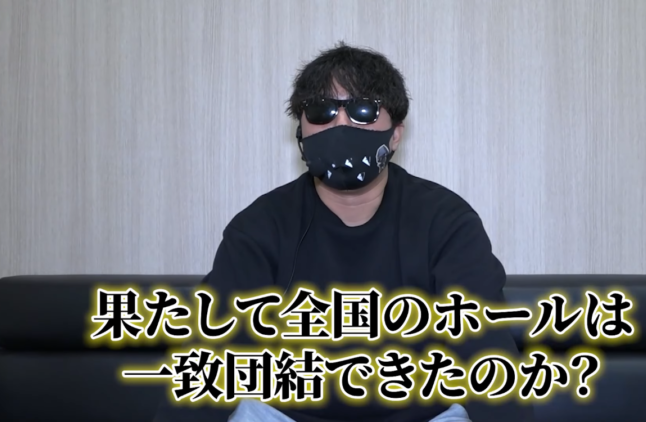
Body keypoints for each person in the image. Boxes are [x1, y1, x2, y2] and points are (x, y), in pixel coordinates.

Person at [154, 42, 534, 422]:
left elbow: (488, 356)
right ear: (300, 130)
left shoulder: (445, 221)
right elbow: (212, 354)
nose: (340, 125)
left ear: (396, 134)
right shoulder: (261, 226)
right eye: (322, 110)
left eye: (362, 110)